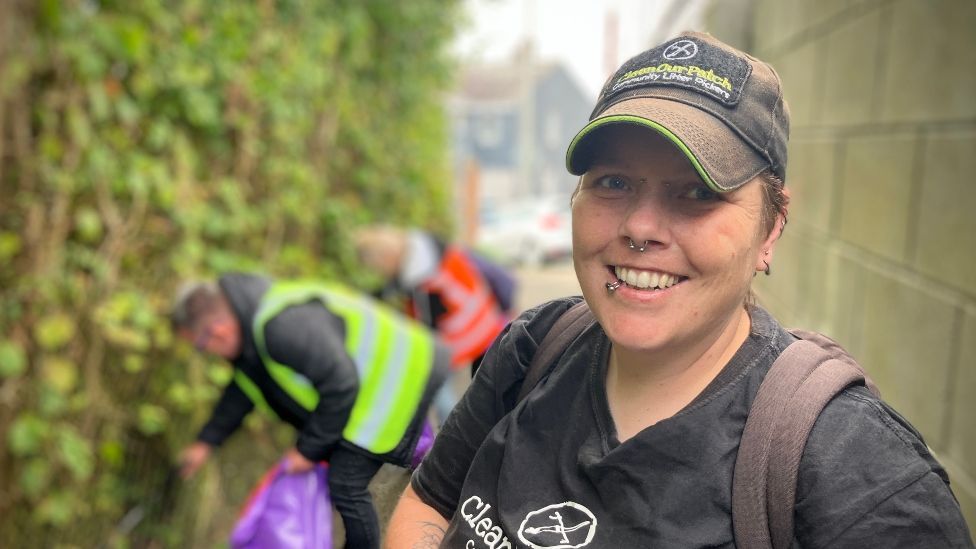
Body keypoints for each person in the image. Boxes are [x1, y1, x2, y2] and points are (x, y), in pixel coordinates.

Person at [385, 31, 974, 548]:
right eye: (613, 182)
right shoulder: (534, 347)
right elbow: (432, 499)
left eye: (696, 193)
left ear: (771, 225)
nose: (640, 227)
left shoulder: (854, 474)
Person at [170, 272, 450, 549]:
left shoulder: (279, 326)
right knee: (371, 469)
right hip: (388, 384)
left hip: (402, 381)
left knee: (345, 483)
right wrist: (206, 442)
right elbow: (242, 391)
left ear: (217, 332)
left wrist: (308, 449)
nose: (207, 353)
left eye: (200, 346)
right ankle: (439, 478)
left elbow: (340, 385)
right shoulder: (252, 336)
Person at [354, 226, 512, 422]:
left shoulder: (424, 286)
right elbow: (396, 285)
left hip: (467, 334)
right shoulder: (433, 248)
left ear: (386, 258)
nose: (380, 273)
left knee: (439, 385)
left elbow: (427, 333)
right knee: (489, 393)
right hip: (485, 320)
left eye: (378, 268)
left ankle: (456, 433)